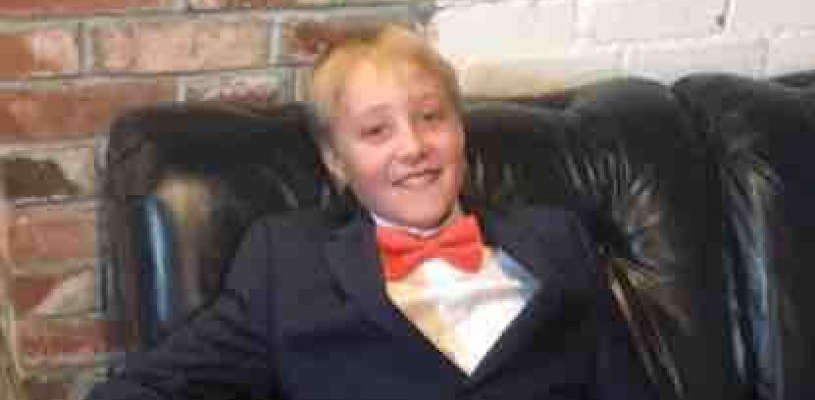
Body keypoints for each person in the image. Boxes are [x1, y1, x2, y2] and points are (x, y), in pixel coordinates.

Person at [87, 22, 655, 400]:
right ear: (336, 160)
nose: (413, 146)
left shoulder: (555, 237)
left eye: (431, 117)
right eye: (376, 131)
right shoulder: (285, 263)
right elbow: (149, 388)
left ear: (460, 130)